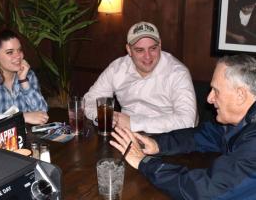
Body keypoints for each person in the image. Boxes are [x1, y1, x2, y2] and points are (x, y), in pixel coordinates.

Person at [110, 54, 256, 199]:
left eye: (216, 91)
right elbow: (205, 135)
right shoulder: (241, 124)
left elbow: (208, 190)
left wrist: (145, 162)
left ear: (241, 95)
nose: (209, 99)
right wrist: (157, 144)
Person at [83, 21, 197, 133]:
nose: (148, 56)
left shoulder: (177, 73)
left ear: (160, 45)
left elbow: (187, 120)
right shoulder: (117, 68)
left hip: (167, 139)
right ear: (129, 50)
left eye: (153, 48)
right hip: (126, 135)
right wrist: (105, 117)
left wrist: (133, 123)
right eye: (140, 50)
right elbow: (89, 101)